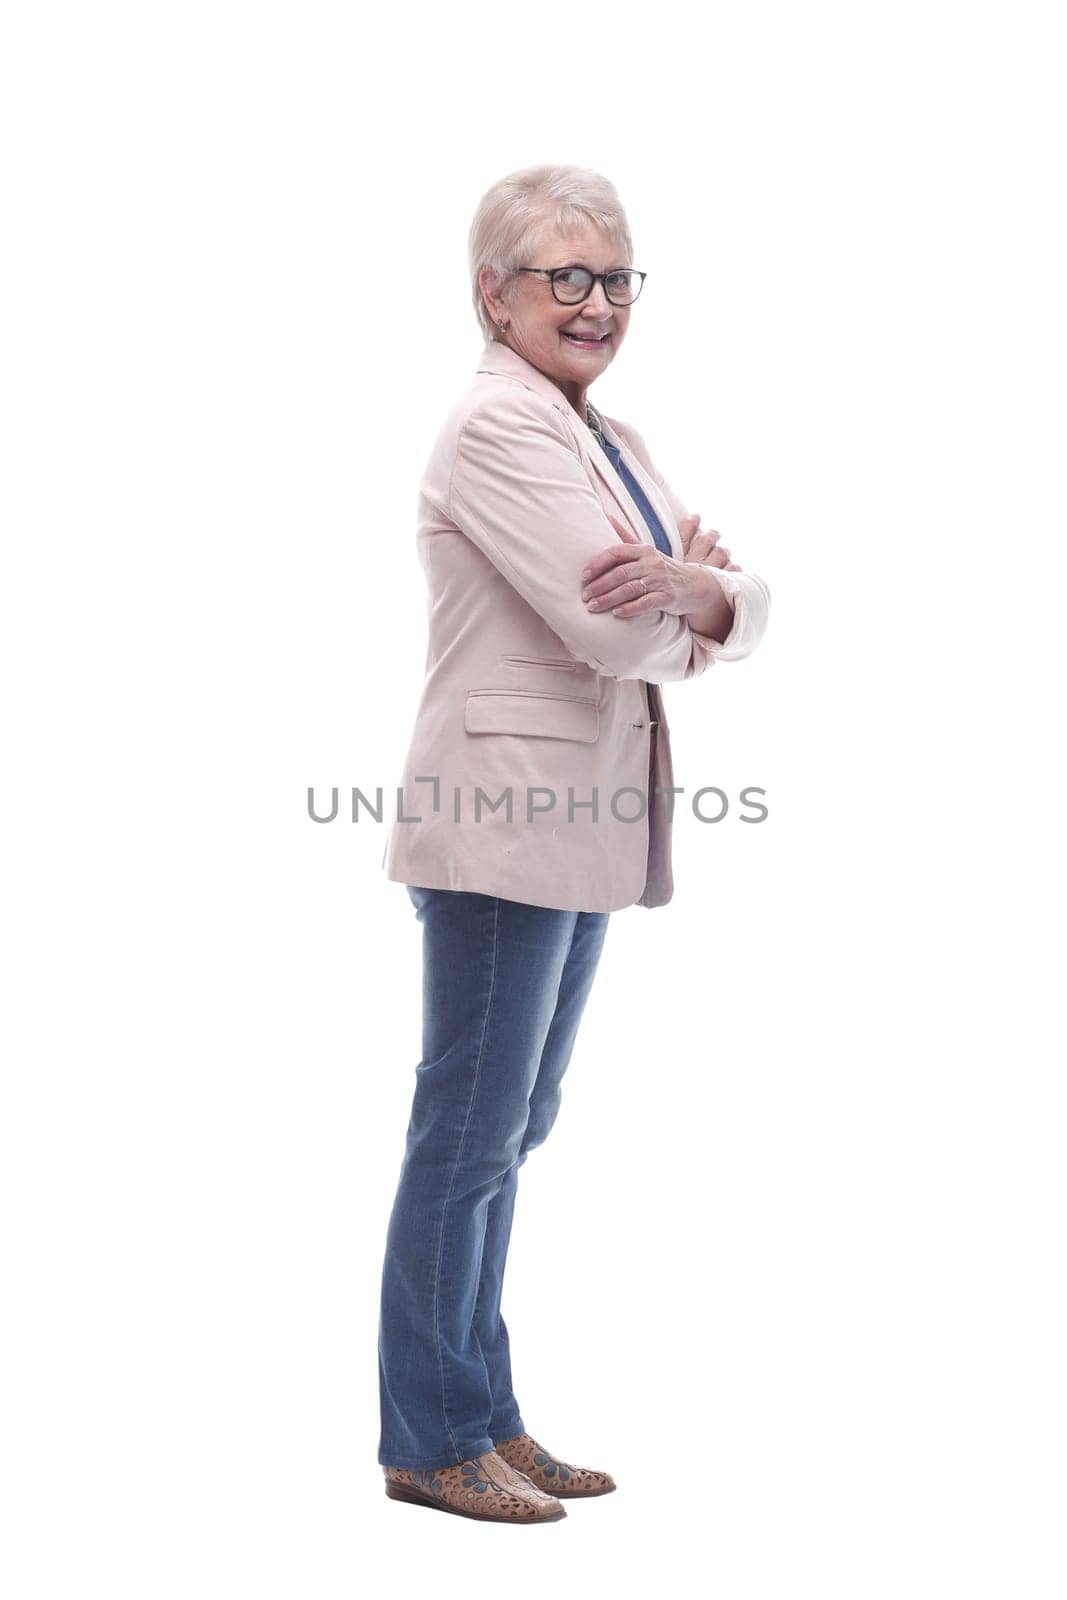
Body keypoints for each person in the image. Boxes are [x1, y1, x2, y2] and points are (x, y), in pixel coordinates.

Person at [377, 163, 771, 1524]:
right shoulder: (498, 427)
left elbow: (732, 597)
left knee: (513, 1127)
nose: (597, 303)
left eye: (615, 279)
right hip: (506, 824)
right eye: (566, 277)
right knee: (468, 1135)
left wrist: (701, 587)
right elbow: (614, 627)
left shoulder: (605, 431)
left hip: (584, 817)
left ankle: (483, 1412)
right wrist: (687, 597)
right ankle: (430, 1436)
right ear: (493, 293)